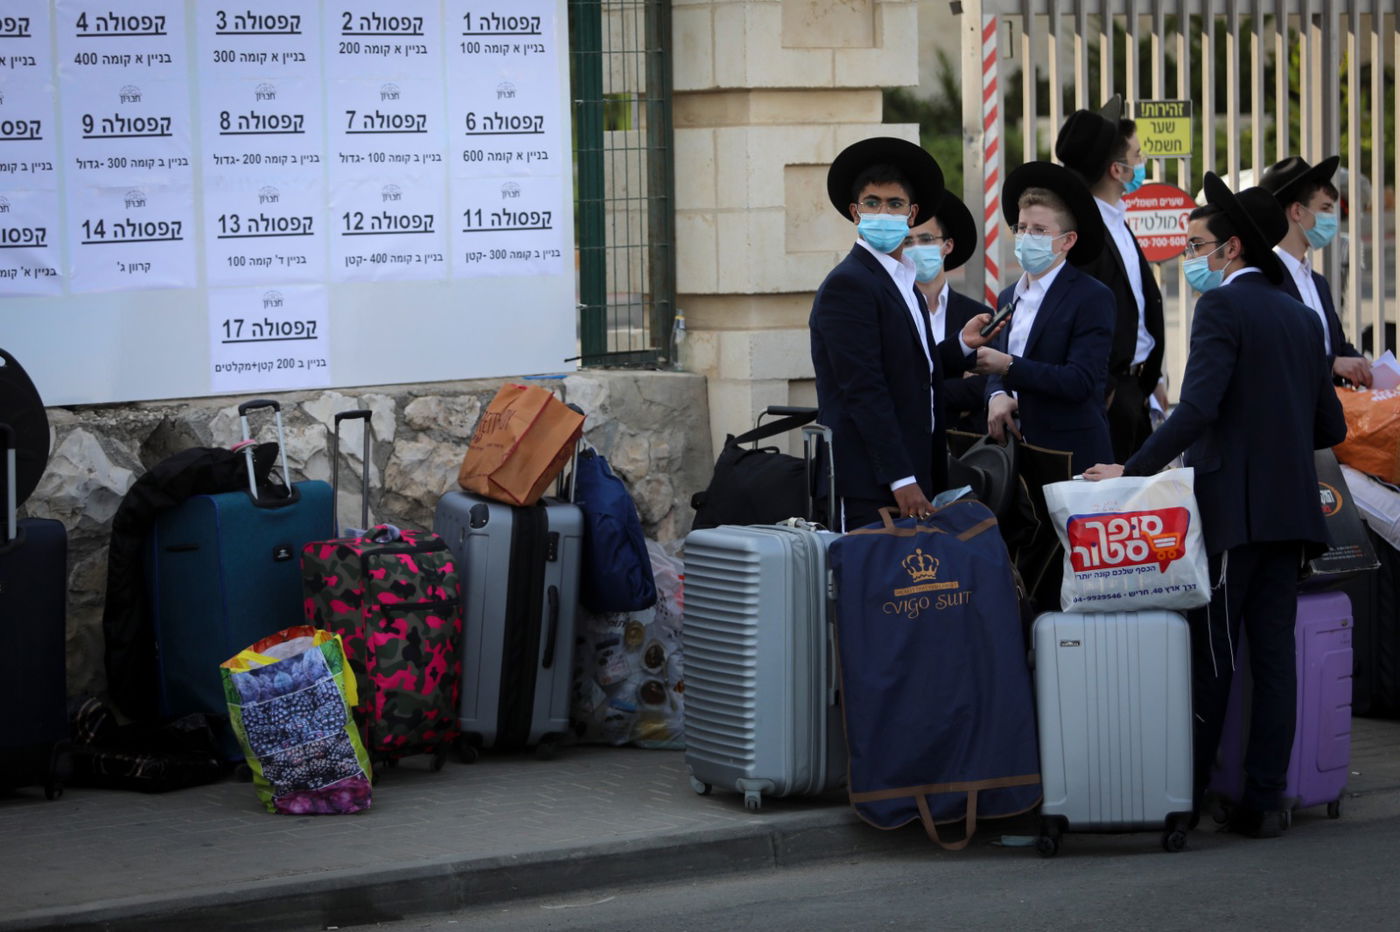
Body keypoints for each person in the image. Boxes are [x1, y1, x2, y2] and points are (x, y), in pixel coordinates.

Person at [1084, 173, 1347, 839]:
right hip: (1291, 513)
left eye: (1199, 244)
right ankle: (1264, 801)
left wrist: (1130, 470)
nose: (1190, 257)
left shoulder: (1223, 311)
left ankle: (1191, 795)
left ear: (1232, 250)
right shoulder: (1299, 314)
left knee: (1214, 657)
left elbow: (1196, 410)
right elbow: (1331, 428)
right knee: (1274, 660)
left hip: (1235, 510)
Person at [809, 137, 1004, 531]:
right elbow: (863, 388)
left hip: (915, 472)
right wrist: (900, 479)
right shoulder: (849, 284)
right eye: (872, 203)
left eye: (894, 204)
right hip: (871, 482)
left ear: (912, 213)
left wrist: (959, 347)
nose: (883, 212)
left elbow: (909, 365)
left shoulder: (903, 280)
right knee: (875, 586)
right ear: (855, 212)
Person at [973, 161, 1115, 474]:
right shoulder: (1009, 296)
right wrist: (996, 393)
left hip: (1072, 454)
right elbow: (996, 364)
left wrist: (1008, 367)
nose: (1027, 237)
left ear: (1067, 241)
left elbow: (1079, 381)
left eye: (1039, 231)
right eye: (1022, 228)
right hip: (1016, 451)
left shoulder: (1092, 297)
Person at [1054, 95, 1167, 461]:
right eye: (1137, 156)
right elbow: (1084, 317)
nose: (1142, 163)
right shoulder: (1087, 231)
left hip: (1136, 387)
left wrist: (1152, 380)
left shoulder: (1116, 220)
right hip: (1110, 394)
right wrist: (1106, 386)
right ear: (1116, 170)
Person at [1260, 154, 1373, 388]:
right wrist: (1332, 363)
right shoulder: (1264, 279)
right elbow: (1272, 353)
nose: (1331, 219)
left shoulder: (1318, 282)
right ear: (1297, 212)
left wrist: (1360, 362)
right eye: (1324, 208)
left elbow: (1336, 344)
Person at [905, 191, 992, 434]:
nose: (917, 248)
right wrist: (958, 390)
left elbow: (988, 383)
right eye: (908, 242)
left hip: (965, 448)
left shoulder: (978, 315)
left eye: (926, 239)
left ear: (947, 245)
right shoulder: (894, 311)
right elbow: (901, 384)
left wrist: (930, 393)